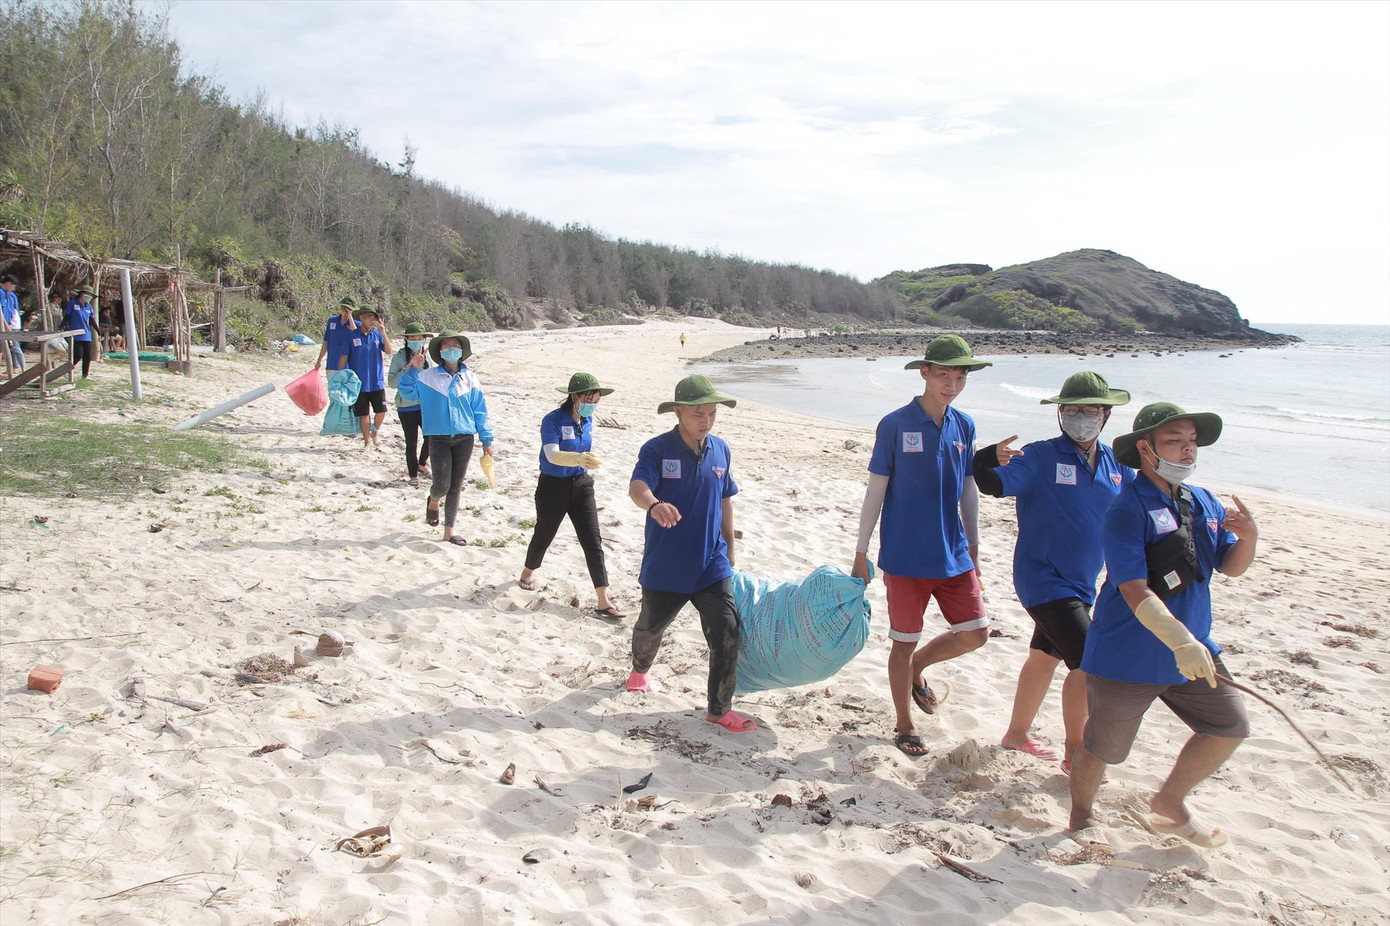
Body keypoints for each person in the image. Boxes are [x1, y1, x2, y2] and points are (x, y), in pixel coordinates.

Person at [1068, 402, 1258, 848]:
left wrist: (1250, 538)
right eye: (1175, 440)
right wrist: (1179, 641)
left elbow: (1230, 565)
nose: (1188, 450)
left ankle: (1170, 799)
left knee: (1230, 725)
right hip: (1128, 654)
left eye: (1192, 441)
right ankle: (1080, 814)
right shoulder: (1126, 508)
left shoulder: (1202, 501)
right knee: (1104, 748)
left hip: (1193, 650)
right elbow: (1133, 588)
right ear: (1145, 448)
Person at [973, 372, 1133, 769]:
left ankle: (1016, 735)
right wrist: (984, 458)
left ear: (1106, 415)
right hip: (1042, 578)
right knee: (1089, 662)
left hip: (1083, 583)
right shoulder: (1041, 456)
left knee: (1044, 658)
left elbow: (1138, 508)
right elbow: (992, 484)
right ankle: (1075, 752)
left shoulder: (1116, 464)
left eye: (1090, 410)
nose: (1082, 417)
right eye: (1073, 410)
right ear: (1060, 413)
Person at [851, 335, 990, 757]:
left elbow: (969, 490)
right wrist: (861, 551)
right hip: (905, 555)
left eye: (959, 376)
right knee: (903, 640)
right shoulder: (895, 424)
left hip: (954, 552)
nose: (951, 384)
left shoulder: (964, 425)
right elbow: (875, 492)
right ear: (925, 372)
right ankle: (904, 723)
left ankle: (920, 668)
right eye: (943, 374)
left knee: (976, 633)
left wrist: (976, 543)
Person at [626, 375, 753, 733]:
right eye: (698, 413)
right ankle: (640, 669)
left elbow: (725, 498)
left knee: (727, 630)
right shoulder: (657, 449)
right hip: (666, 563)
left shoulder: (720, 450)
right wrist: (654, 505)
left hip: (710, 562)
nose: (706, 421)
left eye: (712, 414)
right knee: (650, 629)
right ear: (678, 411)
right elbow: (638, 487)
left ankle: (718, 709)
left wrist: (729, 544)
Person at [519, 372, 624, 617]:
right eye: (588, 398)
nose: (592, 404)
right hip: (552, 486)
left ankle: (603, 600)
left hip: (581, 485)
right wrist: (576, 457)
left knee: (592, 540)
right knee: (544, 533)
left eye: (596, 400)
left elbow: (583, 448)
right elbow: (552, 454)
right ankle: (528, 571)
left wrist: (584, 462)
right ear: (574, 396)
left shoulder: (587, 421)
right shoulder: (553, 420)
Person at [397, 330, 494, 546]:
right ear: (440, 352)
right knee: (441, 484)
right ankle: (433, 500)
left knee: (456, 486)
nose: (451, 350)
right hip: (438, 437)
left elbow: (480, 410)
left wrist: (486, 440)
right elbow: (406, 392)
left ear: (461, 351)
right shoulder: (427, 377)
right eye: (446, 346)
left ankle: (449, 531)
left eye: (455, 346)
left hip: (465, 437)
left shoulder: (470, 379)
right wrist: (413, 368)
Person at [388, 322, 433, 484]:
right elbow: (392, 383)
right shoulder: (399, 357)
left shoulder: (428, 357)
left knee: (431, 437)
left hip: (425, 405)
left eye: (419, 338)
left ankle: (421, 464)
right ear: (406, 339)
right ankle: (413, 475)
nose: (416, 341)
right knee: (411, 441)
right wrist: (407, 370)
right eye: (412, 338)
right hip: (406, 406)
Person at [346, 306, 393, 451]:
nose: (371, 320)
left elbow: (389, 351)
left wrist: (383, 332)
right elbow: (344, 356)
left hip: (376, 381)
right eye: (368, 317)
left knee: (381, 410)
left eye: (373, 317)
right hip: (359, 383)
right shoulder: (352, 335)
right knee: (364, 414)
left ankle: (375, 432)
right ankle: (367, 441)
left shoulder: (377, 335)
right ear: (360, 318)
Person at [314, 296, 359, 372]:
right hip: (332, 364)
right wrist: (319, 360)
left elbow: (356, 337)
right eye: (344, 309)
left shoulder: (357, 324)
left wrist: (350, 317)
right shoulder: (332, 321)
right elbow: (326, 342)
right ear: (340, 308)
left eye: (349, 310)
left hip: (349, 367)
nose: (346, 312)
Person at [62, 285, 97, 379]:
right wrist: (62, 326)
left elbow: (92, 320)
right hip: (76, 333)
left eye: (90, 295)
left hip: (87, 334)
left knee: (87, 356)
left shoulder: (89, 307)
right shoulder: (73, 303)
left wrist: (98, 330)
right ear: (81, 293)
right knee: (78, 354)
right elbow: (67, 316)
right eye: (87, 294)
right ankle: (66, 369)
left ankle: (85, 375)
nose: (89, 296)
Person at [0, 274, 24, 372]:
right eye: (13, 286)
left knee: (2, 348)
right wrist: (6, 325)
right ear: (9, 283)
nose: (13, 289)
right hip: (3, 325)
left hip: (5, 324)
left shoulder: (7, 294)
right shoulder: (1, 293)